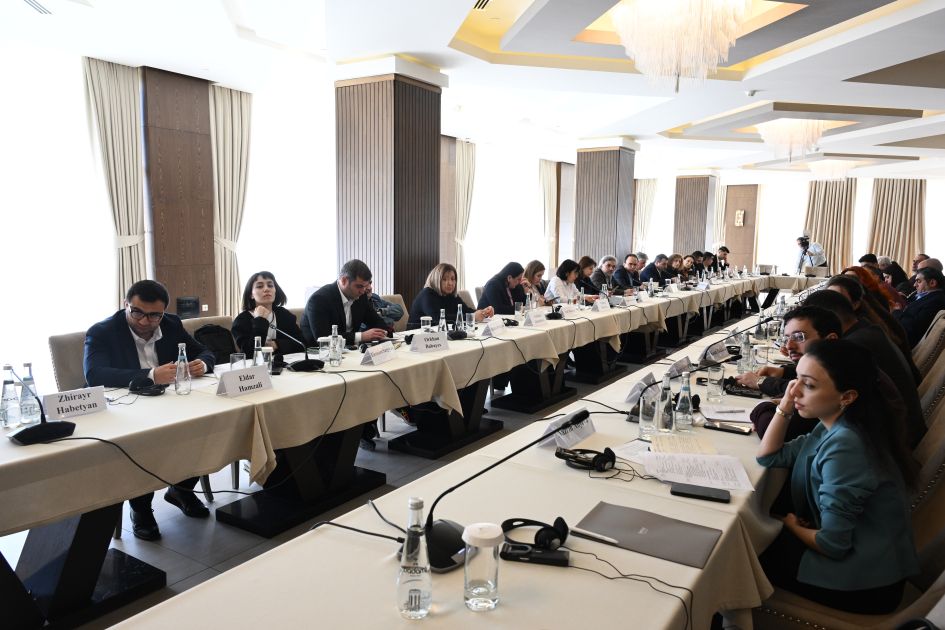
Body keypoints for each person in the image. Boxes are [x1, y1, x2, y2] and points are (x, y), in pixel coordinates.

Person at [756, 339, 918, 614]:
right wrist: (785, 405)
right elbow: (769, 456)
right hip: (864, 560)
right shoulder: (836, 424)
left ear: (847, 397)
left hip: (864, 582)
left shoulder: (847, 444)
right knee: (752, 534)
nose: (795, 391)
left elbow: (832, 544)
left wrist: (791, 524)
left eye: (809, 385)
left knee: (743, 551)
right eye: (796, 380)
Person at [84, 279, 216, 540]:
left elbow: (204, 351)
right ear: (125, 304)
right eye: (137, 312)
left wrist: (202, 363)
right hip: (127, 409)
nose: (145, 321)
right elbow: (94, 374)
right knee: (141, 442)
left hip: (171, 403)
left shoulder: (172, 324)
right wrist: (151, 375)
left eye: (154, 315)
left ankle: (182, 489)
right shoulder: (102, 331)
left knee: (209, 426)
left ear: (164, 312)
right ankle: (141, 508)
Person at [803, 289, 925, 448]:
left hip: (892, 442)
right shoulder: (866, 329)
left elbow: (824, 387)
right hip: (900, 431)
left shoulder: (856, 345)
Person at [300, 259, 390, 450]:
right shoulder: (320, 299)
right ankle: (345, 436)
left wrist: (383, 332)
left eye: (366, 286)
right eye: (359, 286)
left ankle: (363, 428)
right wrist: (361, 336)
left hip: (349, 355)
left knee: (375, 380)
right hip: (318, 359)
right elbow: (322, 337)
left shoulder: (361, 298)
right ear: (343, 281)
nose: (363, 291)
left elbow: (377, 322)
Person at [232, 271, 305, 358]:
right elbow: (249, 353)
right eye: (260, 286)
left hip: (285, 363)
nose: (266, 289)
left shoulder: (284, 314)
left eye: (270, 285)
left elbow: (302, 344)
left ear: (275, 291)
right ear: (251, 295)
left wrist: (276, 344)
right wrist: (260, 320)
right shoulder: (241, 320)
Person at [408, 263, 493, 328]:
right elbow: (439, 319)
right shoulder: (427, 294)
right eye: (444, 279)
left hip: (439, 334)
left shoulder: (451, 295)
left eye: (453, 279)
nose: (450, 283)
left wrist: (483, 312)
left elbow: (466, 311)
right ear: (436, 280)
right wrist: (472, 317)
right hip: (417, 336)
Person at [893, 266, 945, 347]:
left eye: (918, 281)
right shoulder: (927, 296)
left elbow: (911, 329)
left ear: (932, 283)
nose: (914, 285)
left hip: (902, 343)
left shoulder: (936, 302)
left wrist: (897, 312)